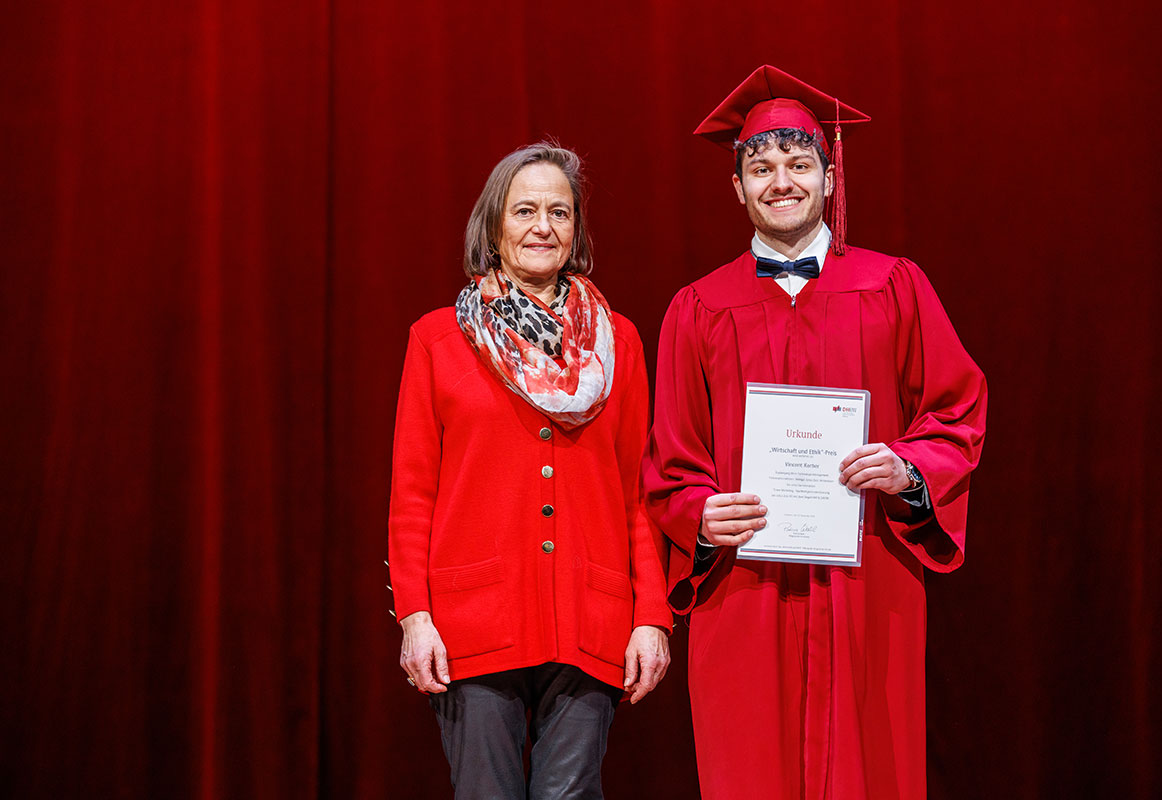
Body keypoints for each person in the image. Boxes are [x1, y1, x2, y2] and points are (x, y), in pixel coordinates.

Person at [642, 66, 987, 799]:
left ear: (829, 177)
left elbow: (957, 412)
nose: (781, 182)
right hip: (745, 590)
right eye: (760, 168)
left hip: (866, 580)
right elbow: (671, 461)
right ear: (737, 188)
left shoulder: (894, 285)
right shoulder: (697, 308)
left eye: (799, 165)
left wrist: (905, 468)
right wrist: (700, 513)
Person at [388, 142, 671, 800]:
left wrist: (650, 616)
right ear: (492, 228)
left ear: (576, 231)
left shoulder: (619, 343)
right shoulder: (436, 339)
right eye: (525, 210)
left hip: (591, 620)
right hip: (472, 623)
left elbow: (637, 493)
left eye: (560, 212)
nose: (544, 225)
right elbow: (411, 497)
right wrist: (415, 616)